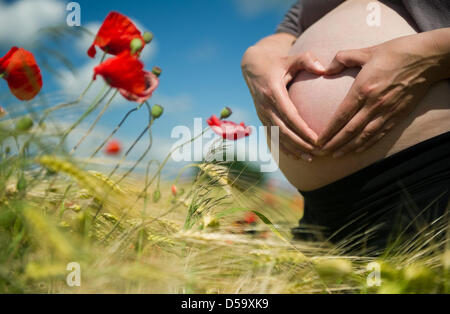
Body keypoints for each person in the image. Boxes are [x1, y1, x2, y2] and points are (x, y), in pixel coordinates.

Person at [242, 0, 450, 251]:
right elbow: (282, 37)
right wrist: (253, 58)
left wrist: (434, 53)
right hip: (318, 210)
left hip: (428, 173)